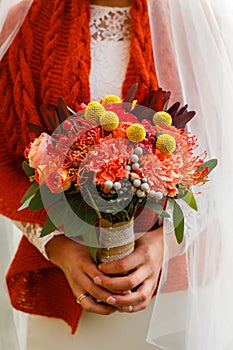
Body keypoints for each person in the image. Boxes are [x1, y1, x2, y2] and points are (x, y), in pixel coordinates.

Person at [1, 1, 233, 350]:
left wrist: (165, 244)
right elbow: (4, 160)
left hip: (177, 294)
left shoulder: (198, 26)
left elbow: (222, 161)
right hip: (64, 293)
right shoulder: (26, 23)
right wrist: (55, 245)